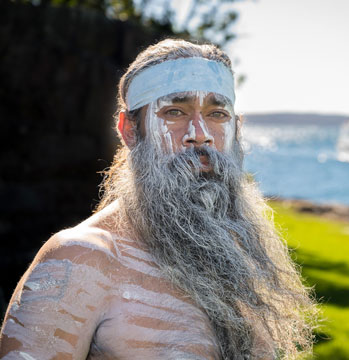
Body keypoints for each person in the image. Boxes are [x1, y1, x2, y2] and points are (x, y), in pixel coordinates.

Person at [0, 39, 316, 359]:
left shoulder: (235, 257)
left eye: (217, 113)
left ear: (237, 127)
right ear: (130, 131)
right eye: (175, 112)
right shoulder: (80, 259)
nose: (200, 132)